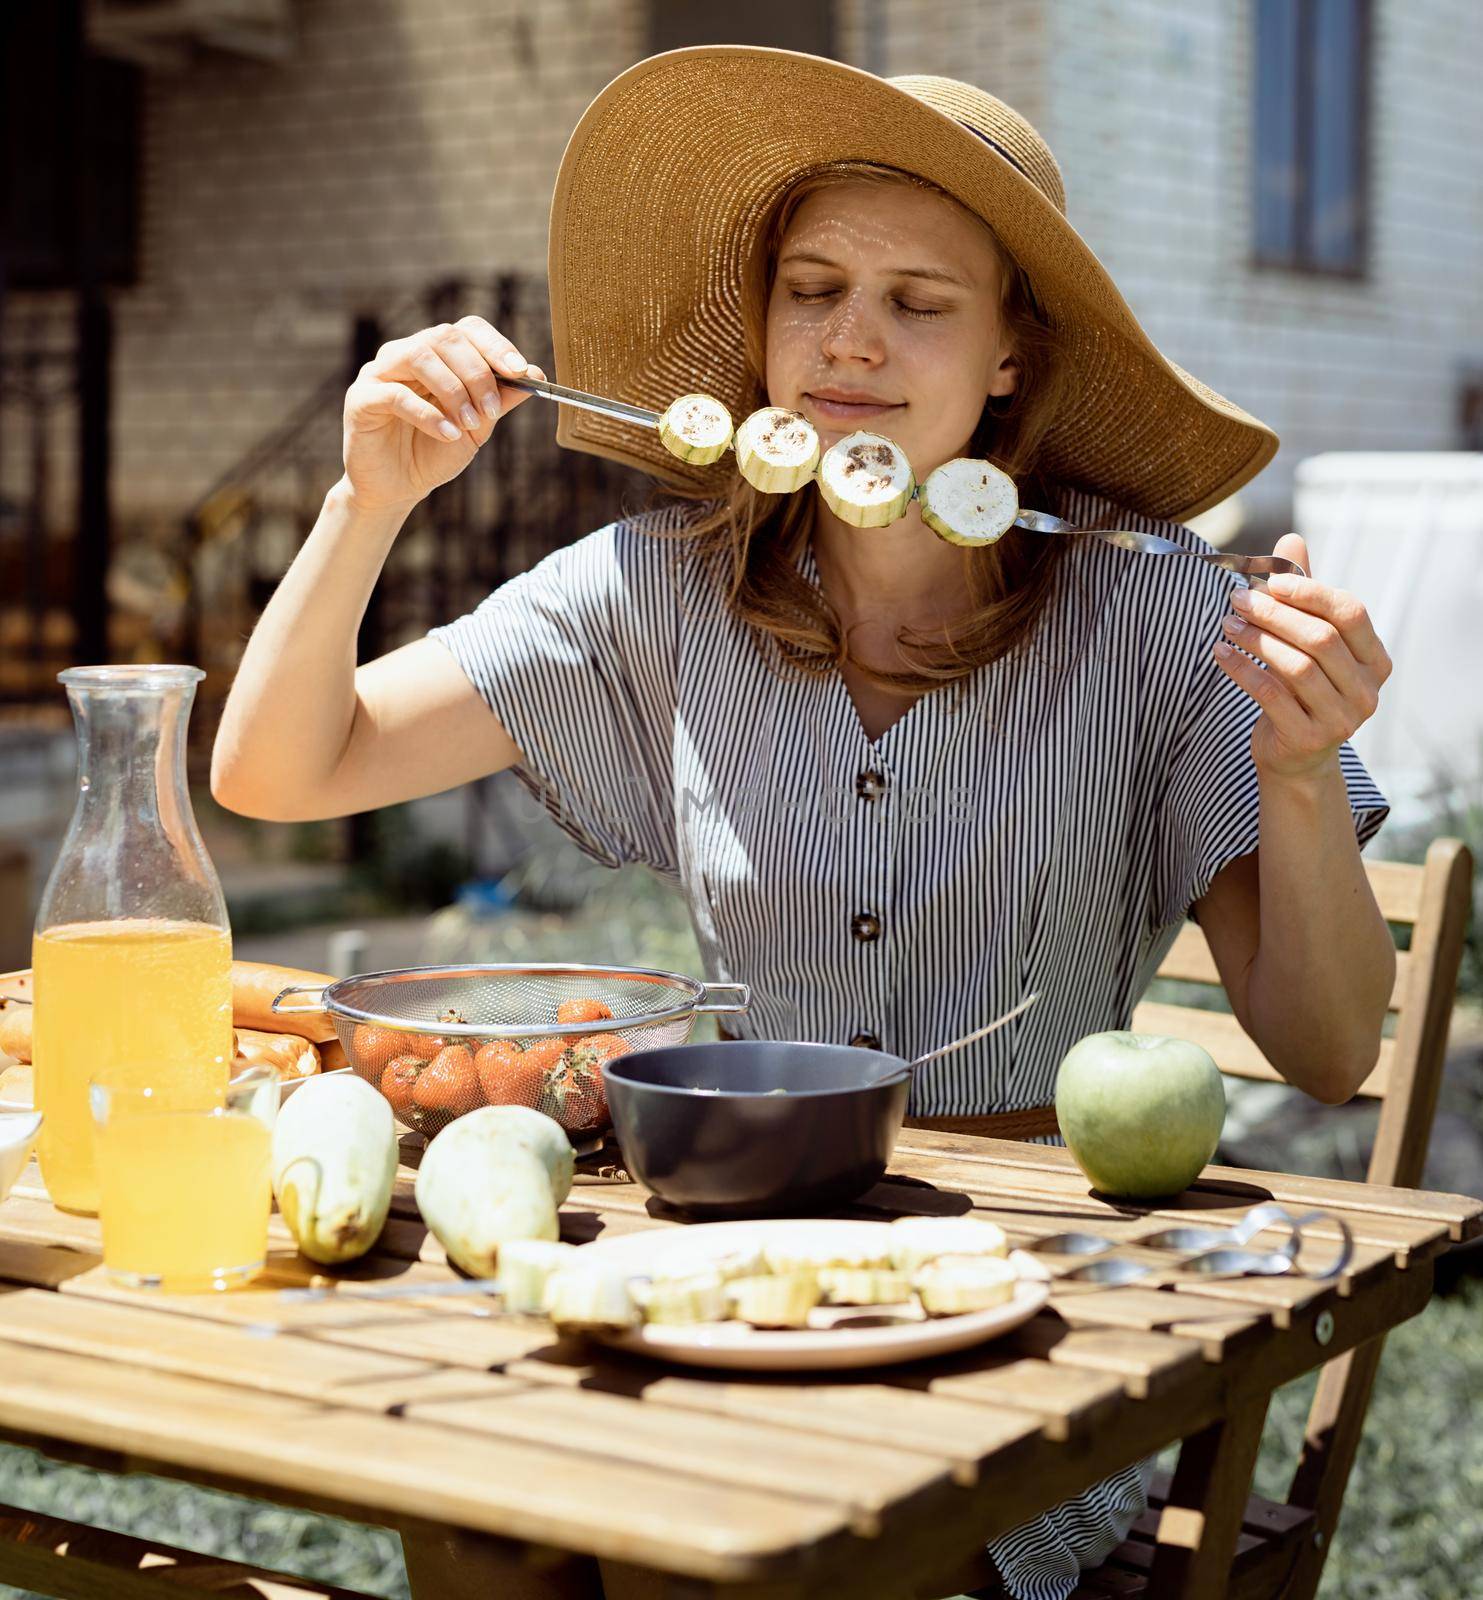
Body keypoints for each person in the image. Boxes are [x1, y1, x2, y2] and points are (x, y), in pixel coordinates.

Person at [212, 46, 1395, 1600]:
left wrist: (1299, 774)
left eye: (920, 303)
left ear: (1009, 359)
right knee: (484, 1527)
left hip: (1014, 1314)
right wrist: (370, 501)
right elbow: (276, 773)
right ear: (762, 333)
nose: (850, 342)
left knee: (697, 1565)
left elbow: (1326, 1048)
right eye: (814, 288)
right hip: (706, 1258)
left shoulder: (1159, 618)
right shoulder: (653, 592)